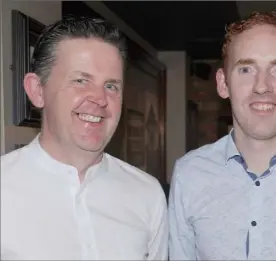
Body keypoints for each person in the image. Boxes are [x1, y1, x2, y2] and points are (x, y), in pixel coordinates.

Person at [1, 16, 168, 260]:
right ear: (37, 91)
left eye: (111, 86)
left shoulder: (147, 194)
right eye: (81, 81)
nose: (100, 99)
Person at [169, 11, 276, 260]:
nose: (262, 86)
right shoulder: (189, 174)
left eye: (275, 69)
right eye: (246, 69)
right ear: (223, 84)